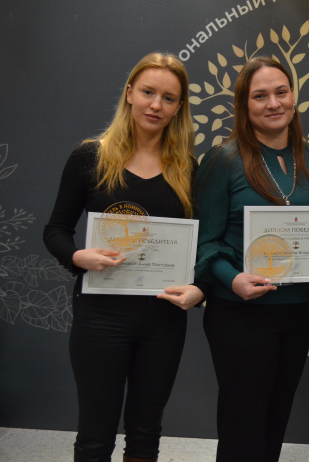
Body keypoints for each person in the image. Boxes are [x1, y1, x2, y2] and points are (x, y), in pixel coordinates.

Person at [43, 52, 204, 462]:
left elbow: (202, 244)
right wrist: (79, 257)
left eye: (169, 98)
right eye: (148, 92)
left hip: (163, 319)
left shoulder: (187, 168)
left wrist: (200, 289)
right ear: (129, 93)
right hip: (101, 317)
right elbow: (55, 230)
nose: (156, 105)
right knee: (95, 436)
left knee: (146, 434)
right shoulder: (90, 157)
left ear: (179, 108)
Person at [194, 56, 309, 462]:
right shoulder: (223, 160)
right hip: (239, 312)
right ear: (244, 105)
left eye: (281, 92)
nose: (273, 103)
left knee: (276, 419)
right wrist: (232, 279)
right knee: (243, 424)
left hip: (297, 310)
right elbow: (206, 242)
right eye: (260, 96)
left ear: (293, 96)